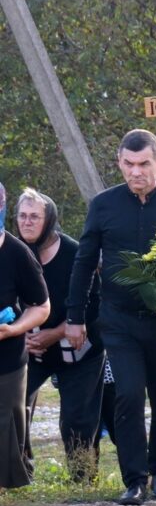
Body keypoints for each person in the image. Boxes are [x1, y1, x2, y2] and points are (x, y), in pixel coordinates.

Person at [67, 129, 156, 505]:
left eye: (144, 164)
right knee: (129, 395)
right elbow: (85, 262)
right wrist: (74, 316)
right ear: (120, 163)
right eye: (129, 164)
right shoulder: (103, 205)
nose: (136, 172)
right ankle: (135, 480)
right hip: (118, 320)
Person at [18, 189, 105, 482]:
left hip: (79, 347)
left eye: (35, 217)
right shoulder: (13, 253)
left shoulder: (74, 254)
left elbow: (94, 303)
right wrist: (25, 336)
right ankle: (18, 473)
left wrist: (53, 334)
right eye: (22, 216)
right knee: (14, 406)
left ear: (50, 219)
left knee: (77, 418)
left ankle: (82, 479)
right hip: (30, 346)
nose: (27, 223)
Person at [0, 181, 51, 487]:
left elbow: (41, 307)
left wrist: (14, 328)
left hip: (6, 357)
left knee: (7, 426)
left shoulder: (17, 253)